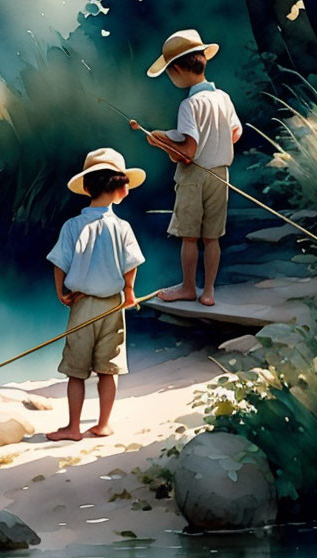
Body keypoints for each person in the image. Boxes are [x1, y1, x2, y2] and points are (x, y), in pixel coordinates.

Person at [131, 29, 242, 307]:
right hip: (221, 175)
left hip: (194, 178)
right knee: (213, 237)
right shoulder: (224, 98)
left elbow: (188, 155)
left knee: (190, 237)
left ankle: (189, 288)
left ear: (178, 69)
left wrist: (160, 143)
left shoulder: (189, 105)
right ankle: (209, 292)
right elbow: (235, 133)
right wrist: (216, 144)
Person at [45, 148, 146, 442]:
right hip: (113, 307)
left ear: (87, 187)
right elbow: (131, 266)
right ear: (121, 189)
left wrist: (61, 293)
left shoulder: (73, 225)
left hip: (82, 305)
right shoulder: (123, 227)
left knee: (76, 372)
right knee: (107, 369)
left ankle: (73, 428)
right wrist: (129, 293)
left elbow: (58, 263)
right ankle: (103, 424)